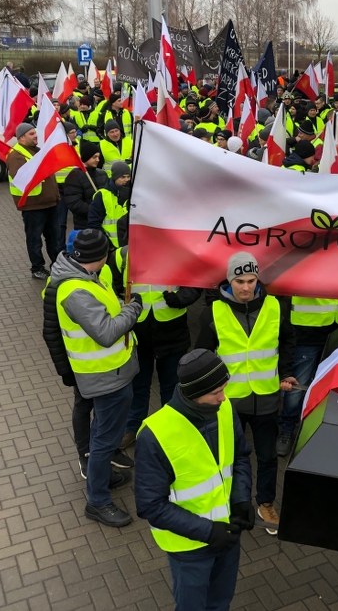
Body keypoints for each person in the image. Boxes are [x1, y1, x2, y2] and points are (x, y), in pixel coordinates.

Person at [135, 349, 253, 611]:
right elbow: (150, 506)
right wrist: (209, 532)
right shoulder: (155, 435)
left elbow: (241, 456)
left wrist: (242, 499)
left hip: (227, 534)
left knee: (221, 602)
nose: (224, 397)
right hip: (190, 548)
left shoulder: (224, 408)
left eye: (225, 387)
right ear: (193, 393)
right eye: (215, 392)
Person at [194, 252, 296, 535]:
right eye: (239, 281)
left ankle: (265, 503)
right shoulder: (213, 312)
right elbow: (200, 356)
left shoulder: (275, 307)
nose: (247, 287)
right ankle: (229, 504)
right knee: (228, 457)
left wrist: (286, 371)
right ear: (229, 280)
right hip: (228, 402)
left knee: (267, 456)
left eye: (251, 280)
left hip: (266, 398)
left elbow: (288, 341)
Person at [51, 229, 142, 527]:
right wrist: (134, 309)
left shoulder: (88, 276)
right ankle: (98, 501)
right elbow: (105, 332)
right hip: (104, 377)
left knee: (106, 434)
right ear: (100, 256)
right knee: (104, 440)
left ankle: (102, 478)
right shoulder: (76, 290)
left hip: (112, 372)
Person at [109, 246, 203, 450]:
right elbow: (112, 286)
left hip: (172, 332)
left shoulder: (180, 251)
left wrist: (179, 299)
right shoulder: (121, 255)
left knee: (171, 386)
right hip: (138, 333)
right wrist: (123, 302)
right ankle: (133, 428)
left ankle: (171, 429)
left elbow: (195, 286)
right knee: (138, 386)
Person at [277, 294, 338, 456]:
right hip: (305, 329)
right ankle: (287, 429)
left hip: (337, 327)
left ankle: (319, 430)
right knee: (296, 387)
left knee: (330, 387)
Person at [7, 122, 62, 279]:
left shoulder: (37, 151)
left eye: (35, 132)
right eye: (31, 134)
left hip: (50, 202)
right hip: (33, 205)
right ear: (21, 137)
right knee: (34, 239)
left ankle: (57, 264)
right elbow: (21, 178)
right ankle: (37, 267)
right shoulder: (16, 155)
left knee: (54, 237)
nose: (35, 136)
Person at [88, 161, 130, 248]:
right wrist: (107, 244)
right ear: (114, 177)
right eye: (122, 177)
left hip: (129, 247)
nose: (126, 180)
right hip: (109, 248)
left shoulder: (133, 195)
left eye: (128, 177)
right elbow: (94, 224)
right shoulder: (102, 196)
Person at [63, 148, 107, 231]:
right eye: (94, 157)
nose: (97, 160)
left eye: (98, 157)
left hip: (103, 223)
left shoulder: (102, 174)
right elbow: (74, 203)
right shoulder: (74, 176)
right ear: (86, 157)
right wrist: (94, 210)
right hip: (84, 225)